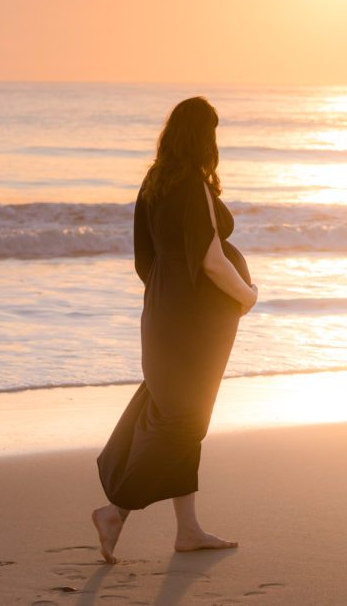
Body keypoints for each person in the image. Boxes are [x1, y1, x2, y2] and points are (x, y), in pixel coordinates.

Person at [91, 96, 257, 564]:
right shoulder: (192, 184)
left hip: (162, 312)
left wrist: (165, 299)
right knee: (187, 420)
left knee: (175, 409)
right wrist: (247, 295)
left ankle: (188, 530)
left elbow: (145, 258)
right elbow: (211, 259)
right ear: (205, 136)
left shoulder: (155, 181)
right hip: (191, 323)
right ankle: (116, 511)